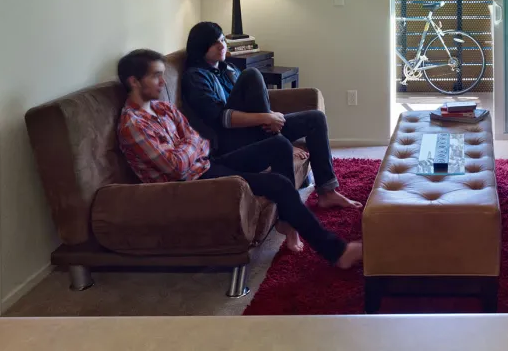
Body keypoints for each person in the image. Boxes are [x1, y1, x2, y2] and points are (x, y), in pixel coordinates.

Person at [116, 49, 362, 268]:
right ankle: (338, 252)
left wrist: (188, 146)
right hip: (189, 186)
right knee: (279, 184)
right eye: (155, 76)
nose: (162, 82)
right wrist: (191, 145)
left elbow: (199, 142)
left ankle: (287, 219)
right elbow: (177, 167)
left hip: (206, 165)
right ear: (134, 82)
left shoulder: (163, 108)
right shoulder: (133, 125)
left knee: (278, 144)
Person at [181, 22, 360, 209]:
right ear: (200, 47)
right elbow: (221, 119)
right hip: (228, 144)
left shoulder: (228, 70)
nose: (222, 45)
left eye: (222, 39)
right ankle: (278, 140)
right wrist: (267, 119)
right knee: (252, 75)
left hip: (251, 132)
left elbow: (254, 102)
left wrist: (271, 115)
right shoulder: (195, 77)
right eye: (214, 43)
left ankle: (327, 192)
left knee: (315, 119)